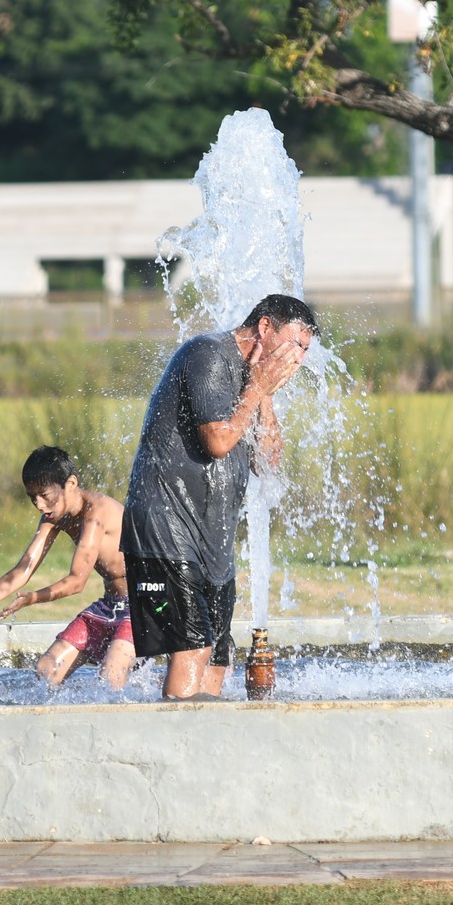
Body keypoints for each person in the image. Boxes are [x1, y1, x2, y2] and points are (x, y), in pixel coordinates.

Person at [123, 293, 317, 700]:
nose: (297, 360)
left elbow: (267, 463)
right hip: (164, 529)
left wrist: (263, 394)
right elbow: (218, 440)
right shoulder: (207, 354)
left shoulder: (254, 382)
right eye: (295, 345)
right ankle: (176, 750)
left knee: (217, 657)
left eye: (304, 352)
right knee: (193, 646)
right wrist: (257, 387)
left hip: (211, 542)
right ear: (265, 328)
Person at [0, 446, 136, 689]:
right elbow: (23, 570)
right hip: (111, 605)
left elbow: (77, 581)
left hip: (144, 604)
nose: (40, 505)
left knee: (110, 679)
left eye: (45, 495)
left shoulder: (96, 512)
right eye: (33, 498)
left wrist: (33, 598)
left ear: (70, 484)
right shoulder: (54, 516)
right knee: (46, 671)